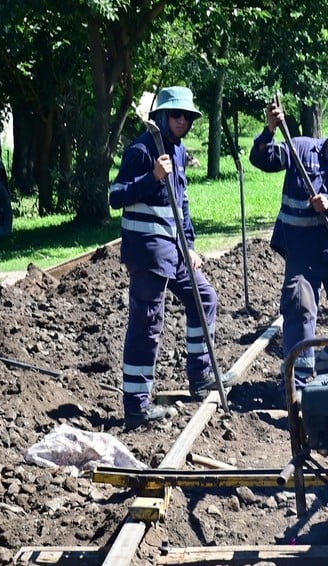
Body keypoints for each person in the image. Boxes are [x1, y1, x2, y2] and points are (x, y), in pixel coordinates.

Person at [109, 86, 233, 429]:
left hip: (174, 251)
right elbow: (115, 196)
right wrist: (152, 177)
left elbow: (182, 205)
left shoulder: (176, 151)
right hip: (148, 251)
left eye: (187, 117)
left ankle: (200, 376)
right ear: (161, 117)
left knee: (204, 297)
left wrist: (190, 245)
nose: (182, 122)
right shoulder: (141, 150)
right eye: (176, 115)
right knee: (148, 324)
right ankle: (136, 405)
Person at [249, 104, 328, 386]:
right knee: (300, 306)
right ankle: (299, 381)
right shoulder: (301, 149)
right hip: (300, 250)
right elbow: (262, 159)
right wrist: (270, 130)